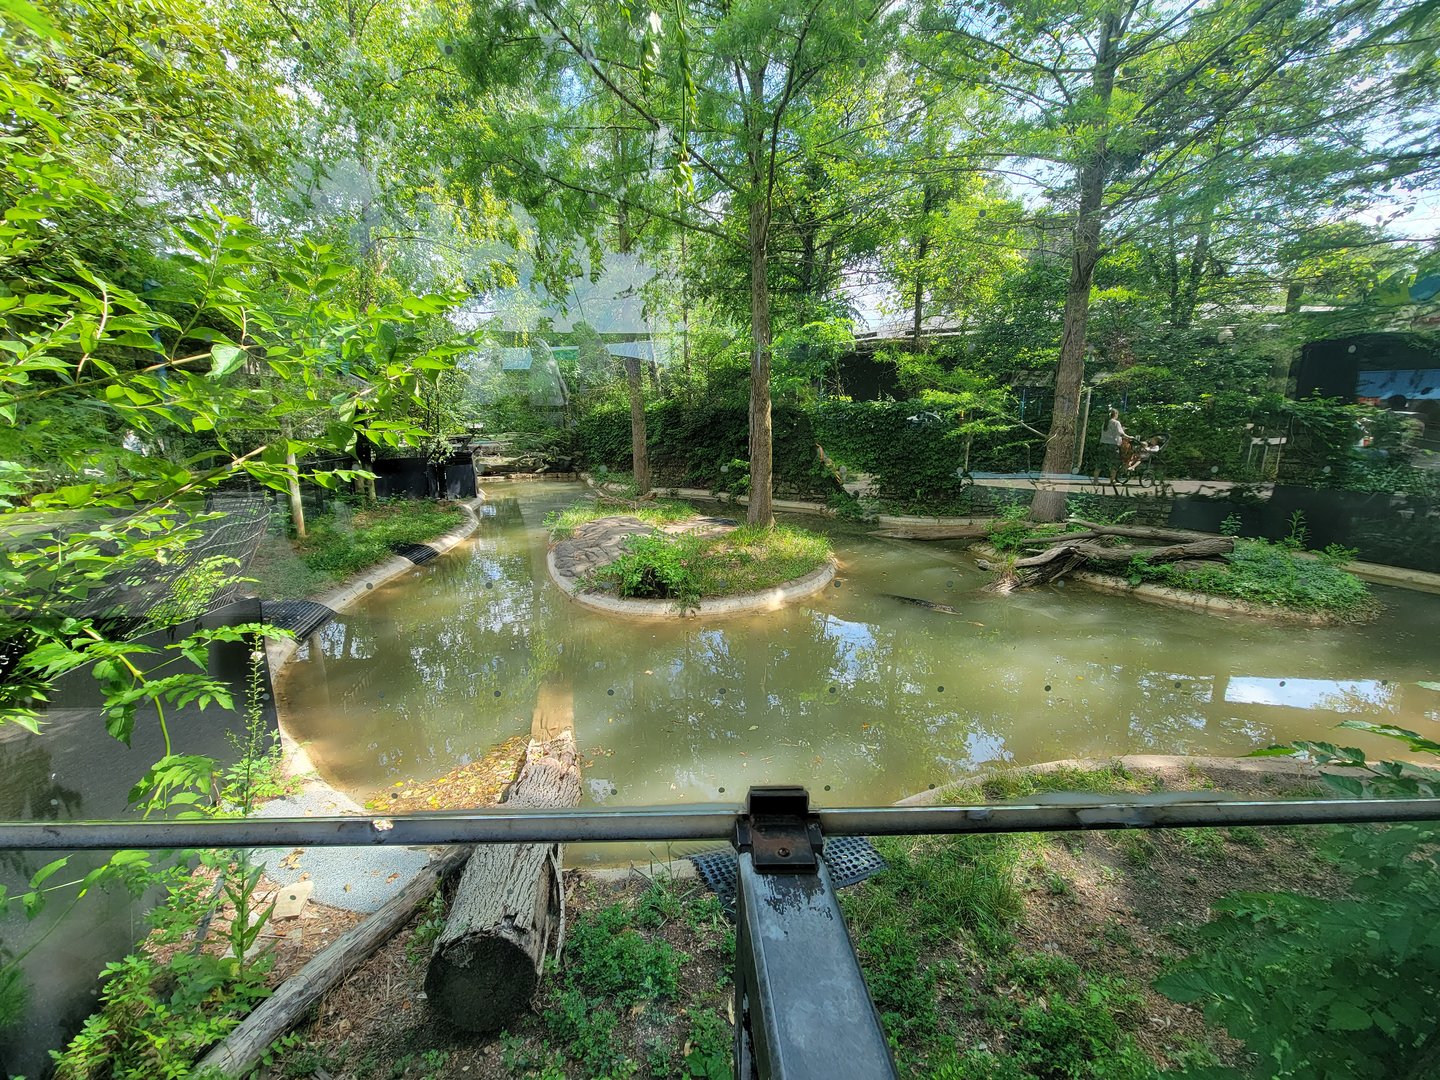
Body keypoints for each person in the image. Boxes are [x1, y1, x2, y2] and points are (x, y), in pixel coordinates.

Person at [1094, 408, 1128, 485]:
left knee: (1100, 462)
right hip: (1112, 445)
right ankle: (1112, 480)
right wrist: (1129, 436)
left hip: (1103, 444)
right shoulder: (1116, 422)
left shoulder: (1105, 422)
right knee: (1115, 463)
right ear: (1115, 414)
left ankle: (1095, 480)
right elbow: (1121, 433)